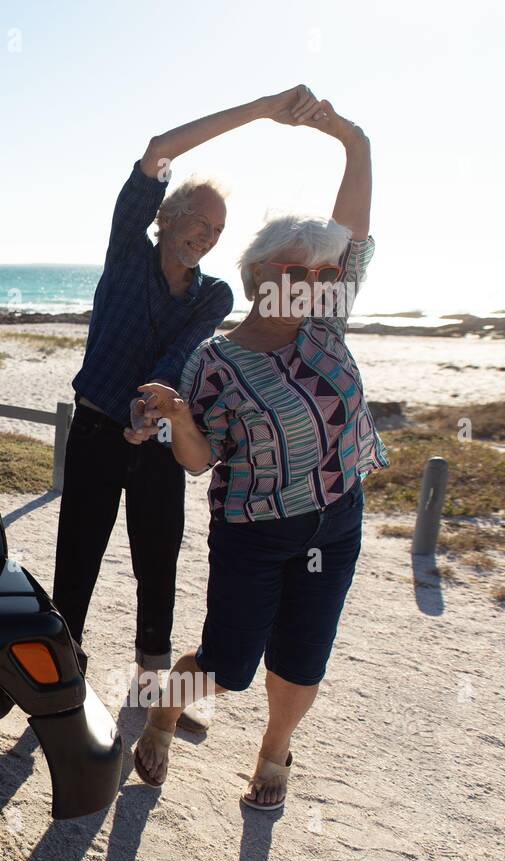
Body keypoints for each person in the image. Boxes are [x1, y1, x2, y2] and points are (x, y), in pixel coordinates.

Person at [130, 95, 384, 810]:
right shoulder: (214, 360)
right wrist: (178, 416)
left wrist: (349, 137)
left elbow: (353, 231)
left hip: (337, 519)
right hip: (254, 532)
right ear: (264, 273)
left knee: (303, 659)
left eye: (325, 275)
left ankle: (274, 755)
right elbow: (197, 460)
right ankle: (164, 709)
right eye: (304, 272)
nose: (321, 282)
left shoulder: (324, 327)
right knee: (225, 665)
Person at [53, 86, 317, 729]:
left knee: (158, 560)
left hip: (159, 437)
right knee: (78, 557)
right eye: (196, 220)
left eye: (217, 230)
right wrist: (259, 111)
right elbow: (156, 151)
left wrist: (153, 413)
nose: (205, 235)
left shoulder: (214, 295)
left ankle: (152, 688)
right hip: (93, 430)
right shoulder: (125, 254)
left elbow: (178, 357)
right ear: (164, 215)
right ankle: (59, 684)